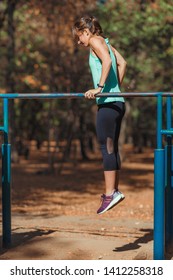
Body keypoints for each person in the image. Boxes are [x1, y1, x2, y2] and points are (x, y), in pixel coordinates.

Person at [72, 15, 127, 214]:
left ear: (86, 32)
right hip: (117, 102)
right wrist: (116, 88)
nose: (79, 41)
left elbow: (107, 62)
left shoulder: (95, 40)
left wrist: (100, 88)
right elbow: (123, 63)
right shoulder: (106, 42)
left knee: (106, 147)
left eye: (79, 37)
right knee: (111, 147)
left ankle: (110, 193)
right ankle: (114, 191)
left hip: (108, 103)